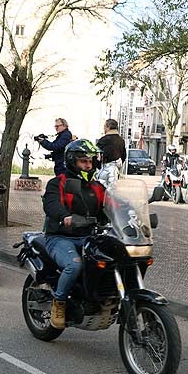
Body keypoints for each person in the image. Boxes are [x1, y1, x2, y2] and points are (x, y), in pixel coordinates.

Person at [41, 139, 107, 329]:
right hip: (60, 237)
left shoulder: (97, 187)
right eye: (83, 162)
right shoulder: (58, 183)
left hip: (88, 236)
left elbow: (111, 206)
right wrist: (65, 216)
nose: (88, 165)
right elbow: (51, 204)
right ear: (72, 161)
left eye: (90, 161)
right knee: (74, 265)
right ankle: (59, 302)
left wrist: (131, 214)